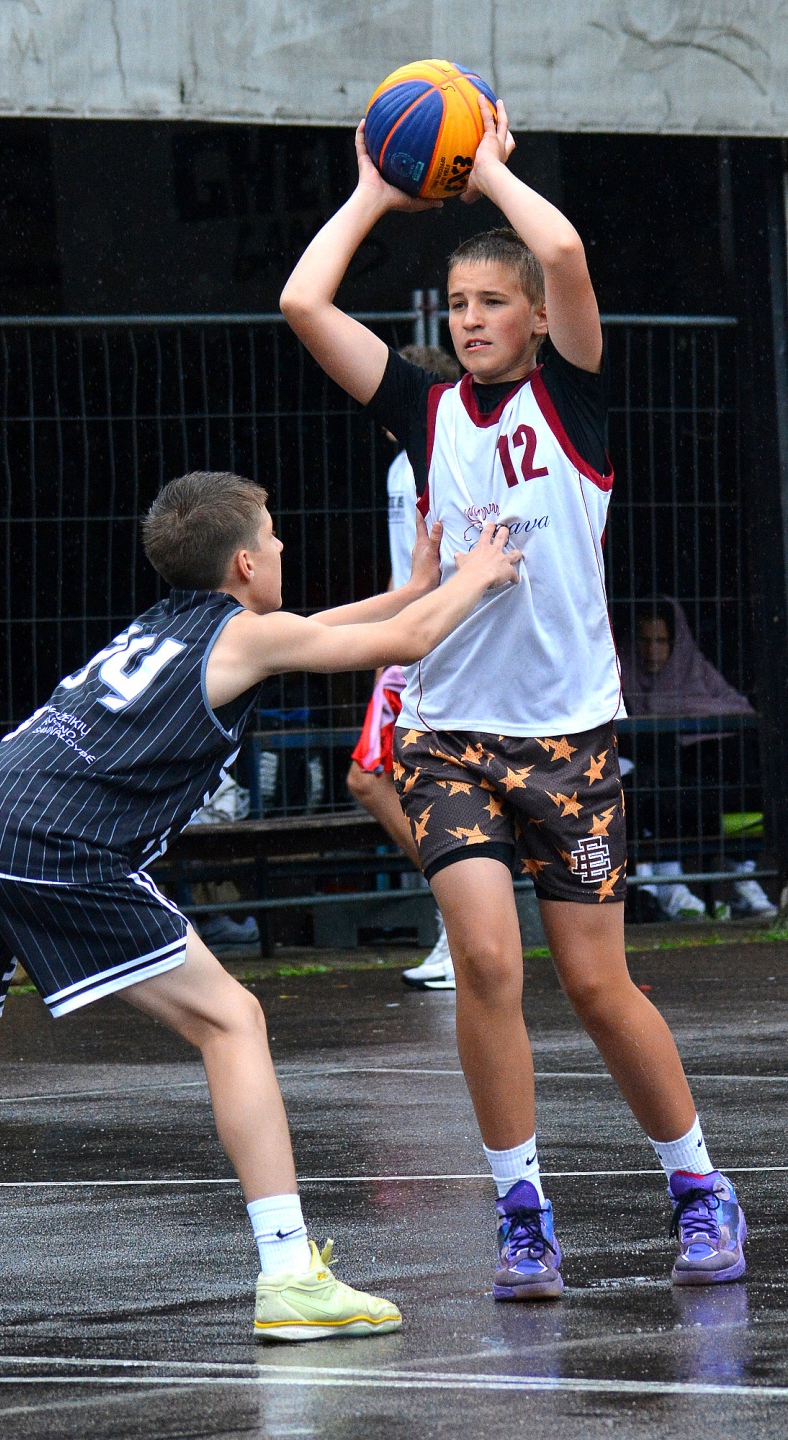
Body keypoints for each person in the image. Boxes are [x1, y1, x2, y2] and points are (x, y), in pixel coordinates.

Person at [0, 469, 521, 1349]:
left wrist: (414, 586)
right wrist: (477, 572)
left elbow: (324, 629)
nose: (280, 546)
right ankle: (290, 1276)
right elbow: (404, 642)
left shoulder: (167, 626)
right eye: (272, 535)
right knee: (232, 1020)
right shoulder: (241, 636)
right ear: (243, 563)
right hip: (48, 841)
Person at [280, 97, 747, 1299]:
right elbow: (303, 305)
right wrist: (374, 193)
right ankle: (521, 1214)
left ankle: (698, 1185)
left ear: (536, 319)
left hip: (569, 739)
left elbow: (565, 250)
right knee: (487, 964)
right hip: (447, 737)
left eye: (493, 302)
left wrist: (484, 167)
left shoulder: (571, 401)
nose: (471, 320)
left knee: (595, 984)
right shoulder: (425, 411)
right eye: (456, 305)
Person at [348, 345, 462, 990]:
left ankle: (461, 916)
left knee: (374, 778)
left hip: (430, 638)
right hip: (411, 638)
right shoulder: (404, 465)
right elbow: (408, 568)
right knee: (378, 778)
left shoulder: (439, 458)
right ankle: (463, 913)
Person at [620, 597, 776, 921]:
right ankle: (667, 889)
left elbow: (739, 711)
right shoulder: (621, 679)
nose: (652, 651)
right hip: (659, 793)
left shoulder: (695, 673)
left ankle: (740, 878)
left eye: (661, 641)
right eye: (644, 641)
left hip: (702, 789)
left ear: (676, 642)